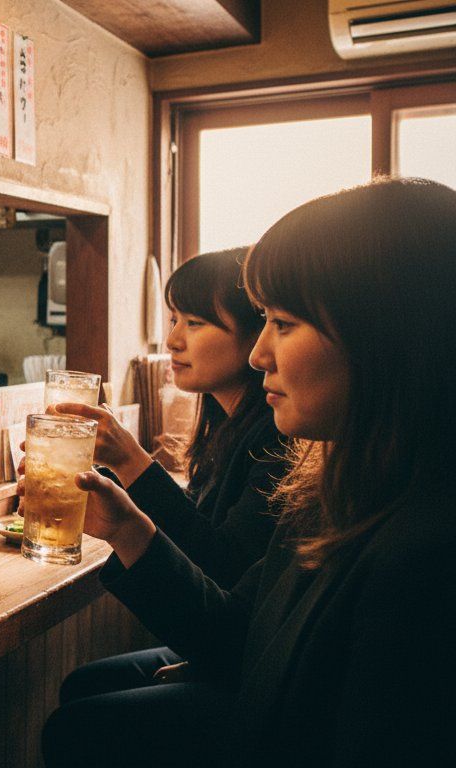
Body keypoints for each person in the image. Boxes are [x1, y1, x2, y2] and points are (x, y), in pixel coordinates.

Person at [42, 177, 456, 766]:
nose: (260, 353)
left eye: (283, 323)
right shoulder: (329, 490)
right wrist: (128, 528)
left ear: (388, 337)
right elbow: (241, 638)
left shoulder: (424, 558)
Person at [45, 249, 291, 710]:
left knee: (78, 717)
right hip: (241, 640)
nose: (173, 339)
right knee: (83, 687)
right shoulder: (225, 424)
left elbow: (221, 566)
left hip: (258, 667)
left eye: (195, 322)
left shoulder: (279, 439)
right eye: (174, 318)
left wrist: (132, 463)